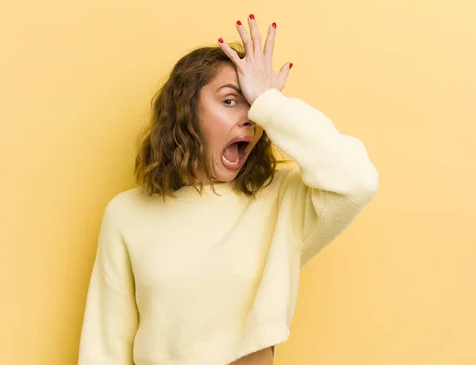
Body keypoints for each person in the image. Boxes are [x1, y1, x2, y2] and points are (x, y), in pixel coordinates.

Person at [77, 14, 379, 365]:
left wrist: (270, 102)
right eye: (231, 101)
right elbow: (104, 349)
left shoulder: (280, 200)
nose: (249, 116)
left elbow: (357, 180)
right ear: (186, 112)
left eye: (253, 106)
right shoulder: (127, 213)